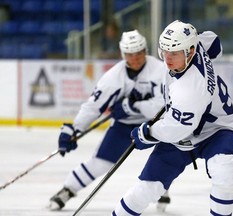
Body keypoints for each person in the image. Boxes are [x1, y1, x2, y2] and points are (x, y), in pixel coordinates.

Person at [112, 20, 233, 216]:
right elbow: (215, 43)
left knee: (225, 175)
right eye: (165, 51)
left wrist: (146, 133)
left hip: (217, 130)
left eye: (174, 53)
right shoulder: (196, 45)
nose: (168, 58)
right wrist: (188, 36)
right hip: (185, 127)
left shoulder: (190, 89)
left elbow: (176, 129)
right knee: (146, 189)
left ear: (190, 52)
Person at [47, 30, 169, 210]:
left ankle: (162, 189)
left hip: (155, 124)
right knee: (100, 162)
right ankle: (67, 189)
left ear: (145, 50)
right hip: (124, 126)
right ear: (123, 54)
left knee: (164, 158)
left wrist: (131, 106)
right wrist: (73, 129)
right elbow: (93, 105)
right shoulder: (114, 76)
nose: (135, 58)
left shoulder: (160, 70)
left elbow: (163, 105)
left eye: (138, 53)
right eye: (130, 54)